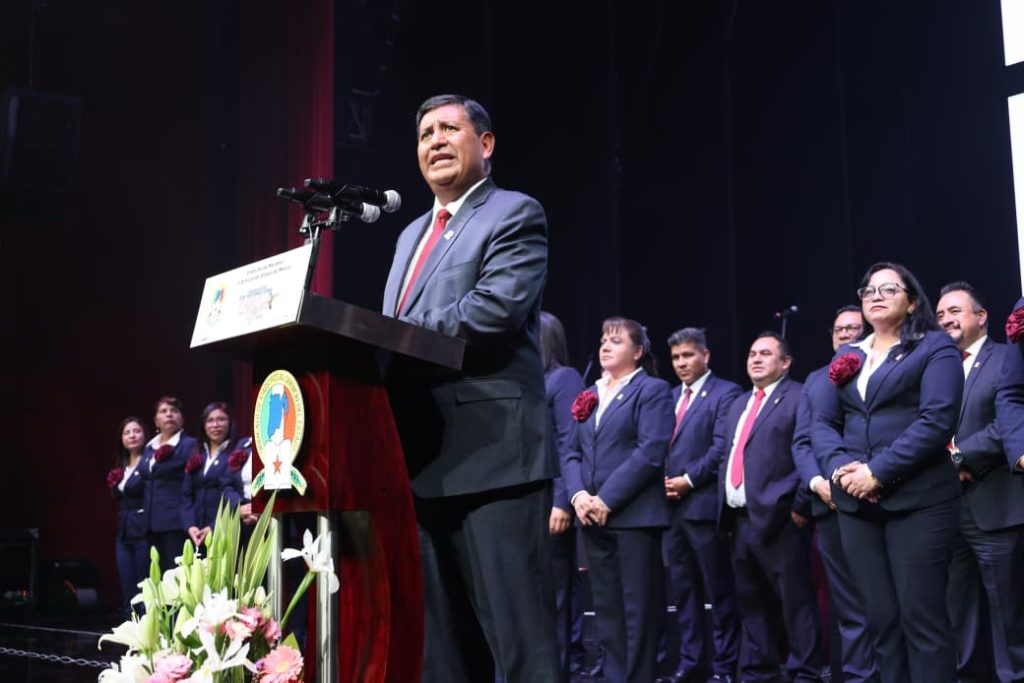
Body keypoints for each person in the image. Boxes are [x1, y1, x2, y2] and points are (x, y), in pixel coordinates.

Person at [381, 94, 559, 682]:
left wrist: (386, 337)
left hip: (493, 460)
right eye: (425, 131)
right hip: (419, 458)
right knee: (443, 650)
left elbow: (491, 312)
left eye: (449, 128)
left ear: (484, 144)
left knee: (517, 644)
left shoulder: (514, 213)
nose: (434, 139)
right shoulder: (409, 237)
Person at [812, 262, 963, 683]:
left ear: (912, 300)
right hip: (857, 506)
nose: (875, 295)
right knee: (881, 622)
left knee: (922, 621)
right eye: (868, 290)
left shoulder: (934, 348)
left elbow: (936, 421)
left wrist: (877, 472)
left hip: (920, 502)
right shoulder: (848, 355)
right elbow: (822, 423)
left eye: (888, 289)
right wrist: (842, 470)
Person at [562, 316, 674, 683]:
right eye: (603, 340)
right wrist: (578, 495)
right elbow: (571, 451)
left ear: (638, 352)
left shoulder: (652, 390)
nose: (605, 346)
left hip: (633, 518)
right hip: (592, 518)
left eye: (616, 341)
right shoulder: (590, 393)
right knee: (608, 610)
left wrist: (605, 500)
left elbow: (649, 452)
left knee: (638, 611)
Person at [717, 331, 823, 683]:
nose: (756, 359)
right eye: (751, 353)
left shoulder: (798, 396)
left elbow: (809, 451)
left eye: (765, 353)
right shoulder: (740, 403)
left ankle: (805, 672)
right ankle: (759, 671)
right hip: (740, 519)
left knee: (796, 603)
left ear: (786, 362)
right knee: (752, 603)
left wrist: (801, 506)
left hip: (782, 519)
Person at [936, 282, 1024, 683]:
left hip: (995, 502)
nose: (946, 320)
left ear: (981, 317)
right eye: (939, 316)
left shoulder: (1007, 356)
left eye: (954, 311)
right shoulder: (936, 369)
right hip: (946, 509)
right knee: (959, 614)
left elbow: (1008, 419)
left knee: (1010, 614)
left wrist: (960, 457)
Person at [792, 306, 878, 683]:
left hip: (876, 498)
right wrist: (818, 483)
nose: (846, 335)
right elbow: (802, 443)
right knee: (847, 606)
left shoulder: (884, 366)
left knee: (882, 599)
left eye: (854, 328)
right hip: (828, 505)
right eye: (840, 329)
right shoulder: (813, 379)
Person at [658, 327, 743, 683]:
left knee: (718, 592)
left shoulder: (726, 393)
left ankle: (724, 667)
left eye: (688, 355)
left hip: (704, 507)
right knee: (683, 593)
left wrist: (688, 480)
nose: (681, 363)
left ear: (705, 356)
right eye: (676, 357)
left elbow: (721, 447)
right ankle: (691, 663)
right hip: (669, 512)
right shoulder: (668, 397)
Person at [539, 311, 592, 681]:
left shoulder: (564, 378)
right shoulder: (535, 379)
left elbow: (567, 441)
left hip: (552, 501)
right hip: (530, 502)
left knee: (557, 593)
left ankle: (561, 669)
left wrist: (562, 501)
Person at [139, 396, 198, 572]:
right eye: (164, 411)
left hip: (175, 523)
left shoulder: (190, 445)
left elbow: (192, 484)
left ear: (182, 418)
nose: (169, 415)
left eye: (174, 411)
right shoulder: (149, 448)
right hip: (149, 524)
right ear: (156, 420)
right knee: (154, 578)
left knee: (174, 575)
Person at [181, 402, 244, 548]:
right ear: (203, 425)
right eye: (210, 420)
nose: (215, 425)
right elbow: (185, 496)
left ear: (230, 423)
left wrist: (213, 527)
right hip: (196, 533)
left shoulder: (238, 452)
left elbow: (237, 495)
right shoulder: (197, 454)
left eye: (221, 419)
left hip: (227, 529)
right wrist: (190, 526)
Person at [107, 417, 148, 616]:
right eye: (127, 432)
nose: (132, 435)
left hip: (144, 532)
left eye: (136, 431)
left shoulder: (150, 462)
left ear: (144, 435)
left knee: (144, 587)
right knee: (127, 587)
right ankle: (130, 634)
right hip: (123, 534)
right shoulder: (121, 466)